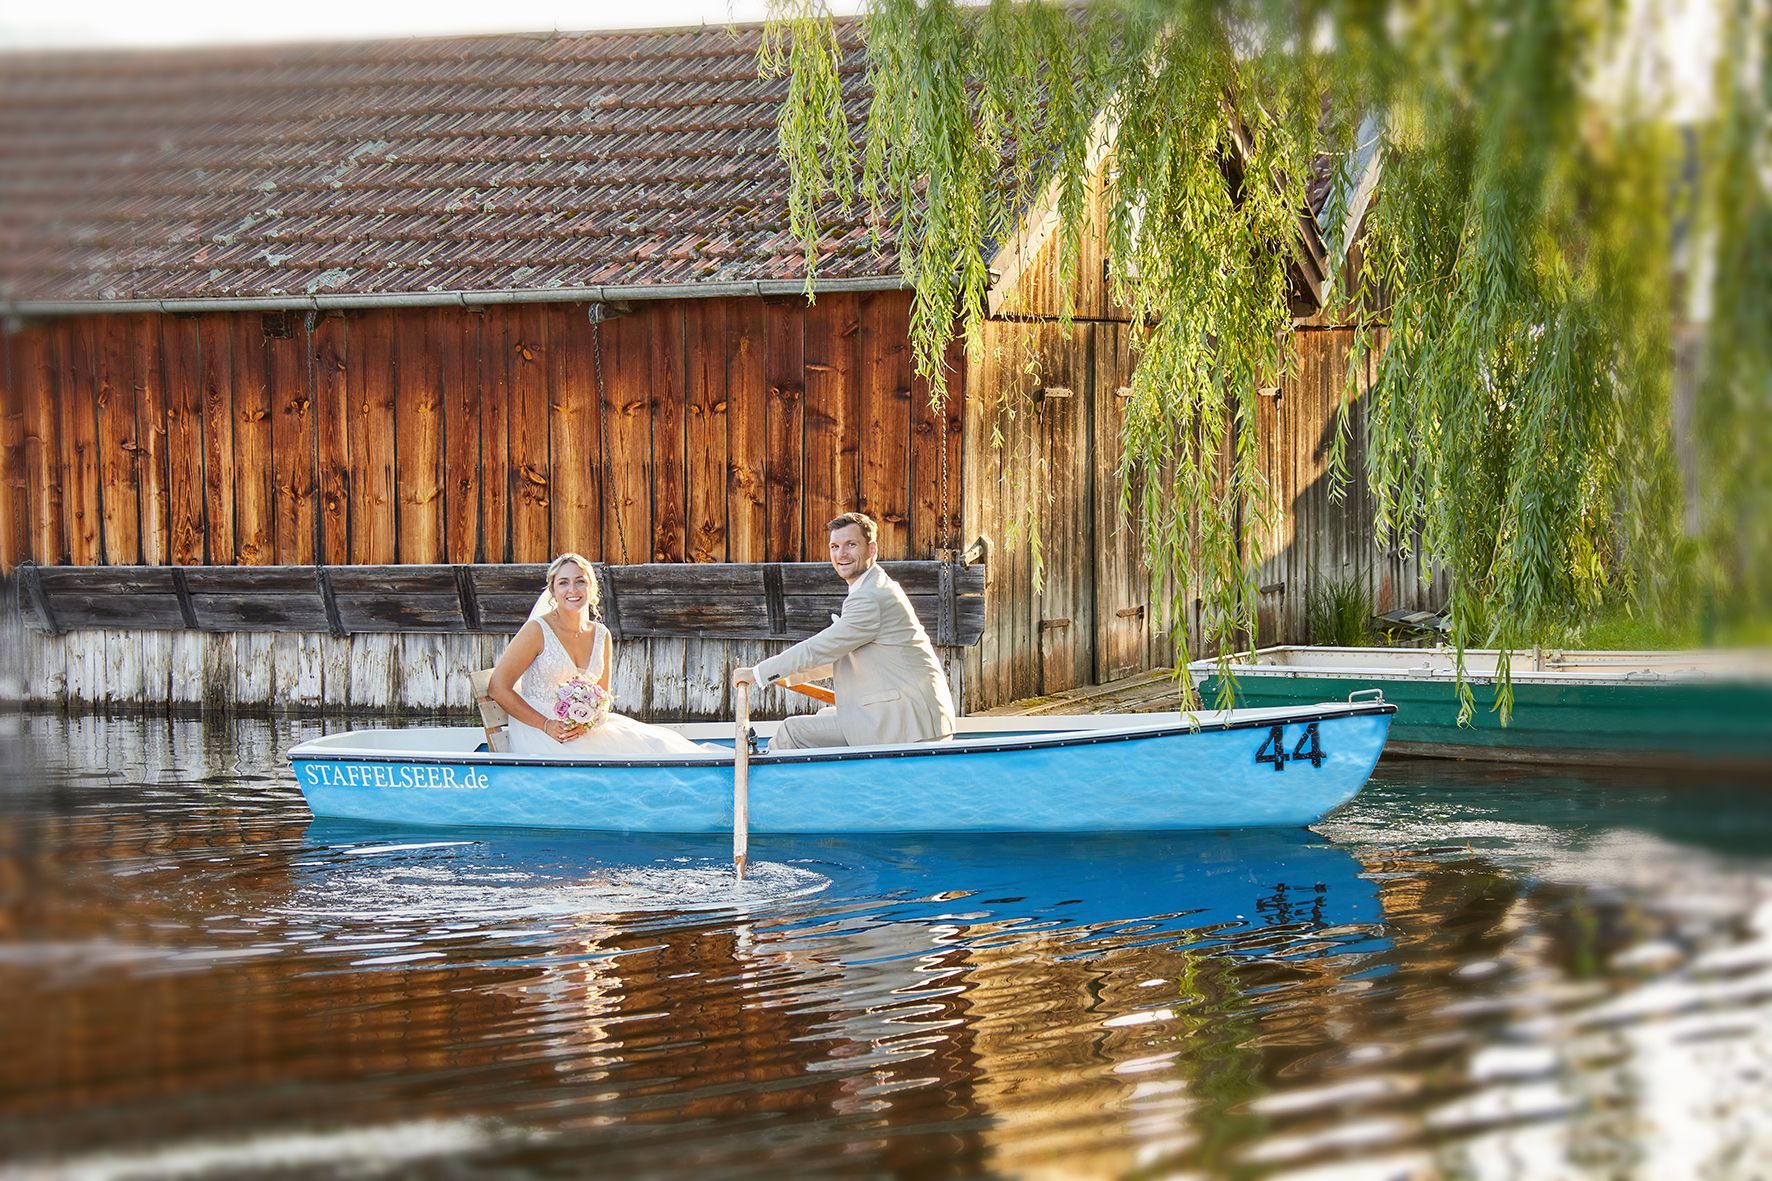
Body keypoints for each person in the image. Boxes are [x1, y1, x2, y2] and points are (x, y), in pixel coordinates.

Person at [733, 511, 957, 750]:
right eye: (835, 546)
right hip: (911, 714)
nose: (841, 554)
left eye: (851, 544)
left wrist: (757, 674)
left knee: (792, 731)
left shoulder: (870, 597)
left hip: (907, 721)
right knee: (824, 715)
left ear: (872, 550)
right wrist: (786, 676)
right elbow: (842, 657)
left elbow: (819, 649)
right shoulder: (873, 586)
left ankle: (768, 773)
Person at [489, 553, 710, 757]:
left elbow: (603, 699)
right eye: (563, 583)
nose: (572, 589)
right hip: (539, 729)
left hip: (581, 727)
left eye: (580, 581)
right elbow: (497, 687)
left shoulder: (601, 635)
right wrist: (546, 725)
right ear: (553, 591)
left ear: (591, 587)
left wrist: (586, 722)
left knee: (656, 745)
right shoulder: (536, 631)